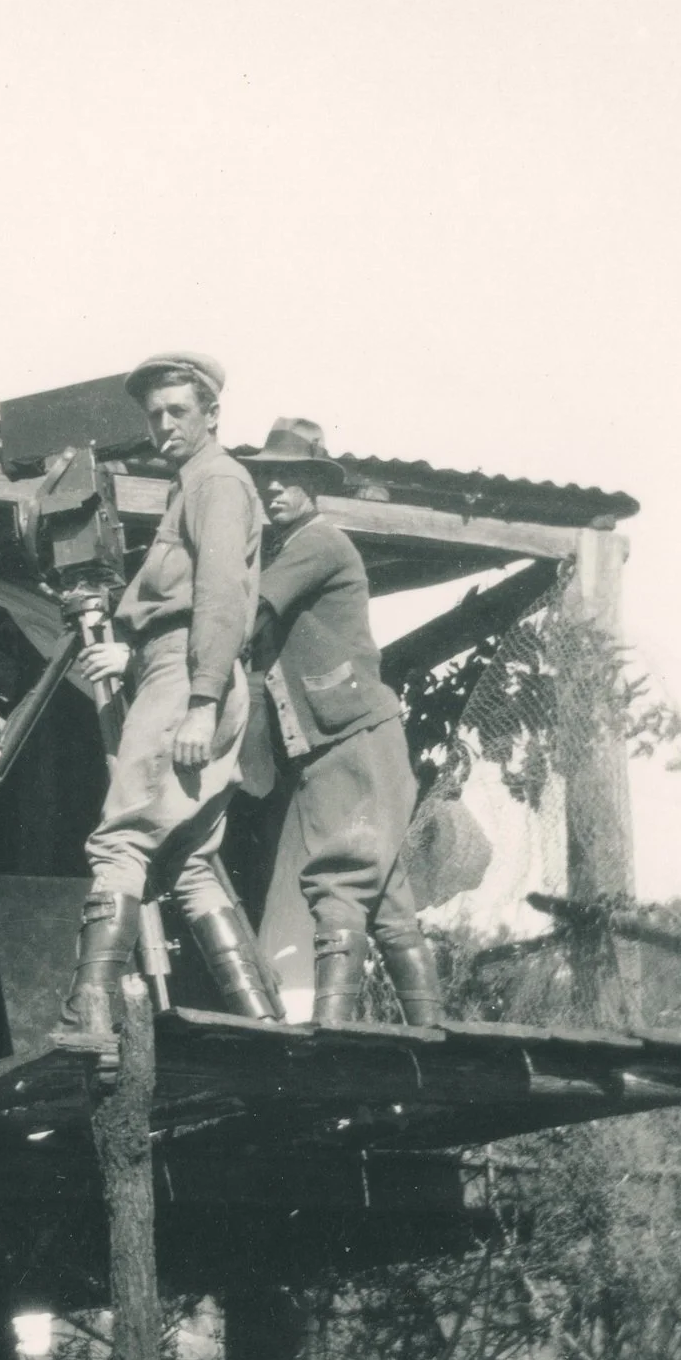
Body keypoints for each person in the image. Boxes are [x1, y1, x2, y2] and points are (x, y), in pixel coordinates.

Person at [63, 351, 277, 1030]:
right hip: (178, 665)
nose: (164, 425)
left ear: (212, 414)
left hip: (190, 673)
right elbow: (179, 593)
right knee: (187, 858)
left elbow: (218, 594)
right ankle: (260, 1027)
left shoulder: (216, 480)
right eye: (154, 415)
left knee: (122, 840)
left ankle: (88, 1012)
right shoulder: (197, 483)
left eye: (178, 411)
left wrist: (201, 702)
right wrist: (129, 651)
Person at [236, 419, 443, 1024]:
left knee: (344, 879)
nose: (273, 488)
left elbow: (247, 614)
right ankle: (430, 1030)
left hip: (354, 735)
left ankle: (333, 1030)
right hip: (328, 744)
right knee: (385, 896)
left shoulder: (318, 543)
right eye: (266, 477)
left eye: (288, 477)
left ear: (314, 486)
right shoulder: (292, 546)